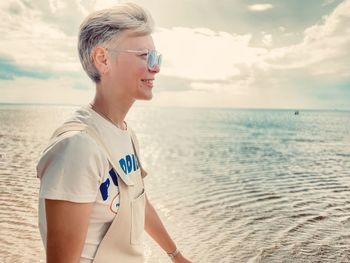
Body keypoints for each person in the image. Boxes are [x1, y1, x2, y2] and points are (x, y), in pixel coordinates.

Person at [36, 3, 192, 263]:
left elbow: (137, 201)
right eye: (145, 56)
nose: (156, 68)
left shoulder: (125, 133)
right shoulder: (78, 146)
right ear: (103, 59)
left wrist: (176, 256)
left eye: (157, 57)